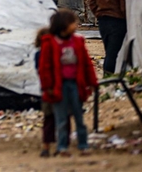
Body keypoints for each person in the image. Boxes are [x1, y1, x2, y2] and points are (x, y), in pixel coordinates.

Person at [39, 10, 98, 157]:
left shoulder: (77, 42)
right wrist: (48, 87)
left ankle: (83, 145)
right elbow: (44, 67)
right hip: (59, 86)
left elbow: (86, 63)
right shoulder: (50, 44)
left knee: (79, 116)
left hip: (75, 84)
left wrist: (91, 82)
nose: (76, 25)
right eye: (73, 22)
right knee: (61, 118)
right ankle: (62, 147)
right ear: (64, 25)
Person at [89, 0, 127, 75]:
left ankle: (109, 75)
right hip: (118, 22)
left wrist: (99, 14)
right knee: (113, 52)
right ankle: (109, 76)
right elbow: (123, 6)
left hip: (103, 22)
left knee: (108, 49)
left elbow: (91, 2)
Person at [35, 27, 69, 157]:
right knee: (62, 119)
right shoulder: (56, 52)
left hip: (47, 91)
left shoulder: (39, 54)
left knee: (49, 120)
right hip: (58, 90)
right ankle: (62, 146)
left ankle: (47, 146)